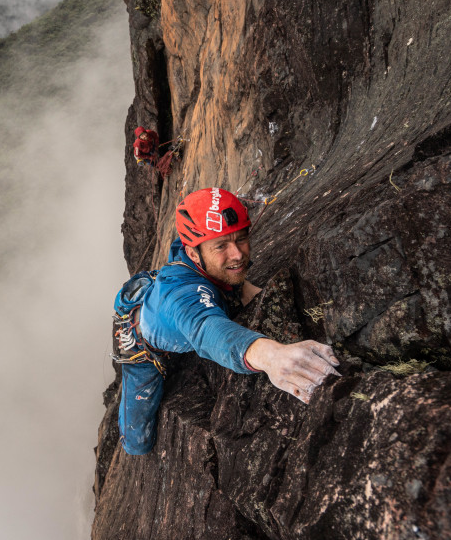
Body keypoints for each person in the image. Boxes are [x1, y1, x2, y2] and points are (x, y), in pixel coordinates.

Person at [113, 187, 341, 454]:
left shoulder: (200, 255)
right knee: (136, 445)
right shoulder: (183, 298)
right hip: (139, 338)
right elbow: (206, 329)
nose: (237, 254)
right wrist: (271, 357)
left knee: (229, 278)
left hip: (162, 290)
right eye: (221, 245)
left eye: (241, 239)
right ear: (194, 253)